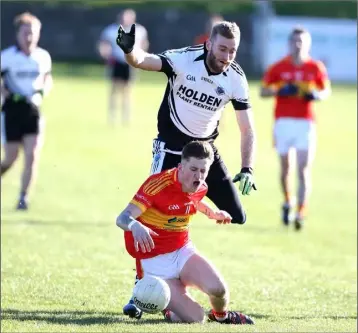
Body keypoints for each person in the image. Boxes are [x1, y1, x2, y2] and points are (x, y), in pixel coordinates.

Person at [116, 20, 257, 318]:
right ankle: (142, 288)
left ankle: (180, 275)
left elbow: (247, 129)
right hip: (170, 148)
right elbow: (145, 61)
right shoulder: (184, 59)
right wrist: (130, 51)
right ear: (208, 44)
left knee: (238, 215)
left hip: (205, 153)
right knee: (152, 211)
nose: (227, 56)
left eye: (233, 51)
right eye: (222, 49)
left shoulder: (235, 77)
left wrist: (248, 168)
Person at [116, 141, 255, 325]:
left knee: (219, 290)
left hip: (182, 252)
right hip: (154, 262)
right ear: (181, 167)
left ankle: (221, 316)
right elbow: (122, 218)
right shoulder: (157, 185)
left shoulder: (201, 186)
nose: (198, 176)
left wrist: (212, 213)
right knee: (197, 318)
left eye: (203, 171)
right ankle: (167, 308)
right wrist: (135, 226)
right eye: (193, 169)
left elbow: (193, 201)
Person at [260, 27, 331, 230]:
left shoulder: (315, 67)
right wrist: (280, 90)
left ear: (307, 44)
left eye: (302, 41)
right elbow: (263, 91)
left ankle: (301, 211)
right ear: (289, 43)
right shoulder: (278, 68)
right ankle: (287, 201)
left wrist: (317, 95)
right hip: (283, 122)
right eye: (295, 41)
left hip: (305, 123)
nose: (298, 45)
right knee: (286, 169)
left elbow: (326, 90)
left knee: (303, 168)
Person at [1, 12, 53, 210]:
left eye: (33, 33)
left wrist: (44, 89)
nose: (29, 37)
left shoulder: (42, 57)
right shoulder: (6, 57)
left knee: (32, 155)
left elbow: (47, 79)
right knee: (10, 158)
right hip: (12, 111)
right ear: (18, 34)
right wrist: (5, 92)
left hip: (33, 110)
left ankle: (23, 198)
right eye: (25, 33)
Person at [98, 9, 149, 125]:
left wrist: (141, 57)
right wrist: (105, 54)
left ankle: (126, 117)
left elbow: (143, 44)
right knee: (114, 90)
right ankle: (112, 117)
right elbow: (104, 44)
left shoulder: (139, 31)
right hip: (116, 61)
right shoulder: (111, 30)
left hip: (131, 63)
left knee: (128, 90)